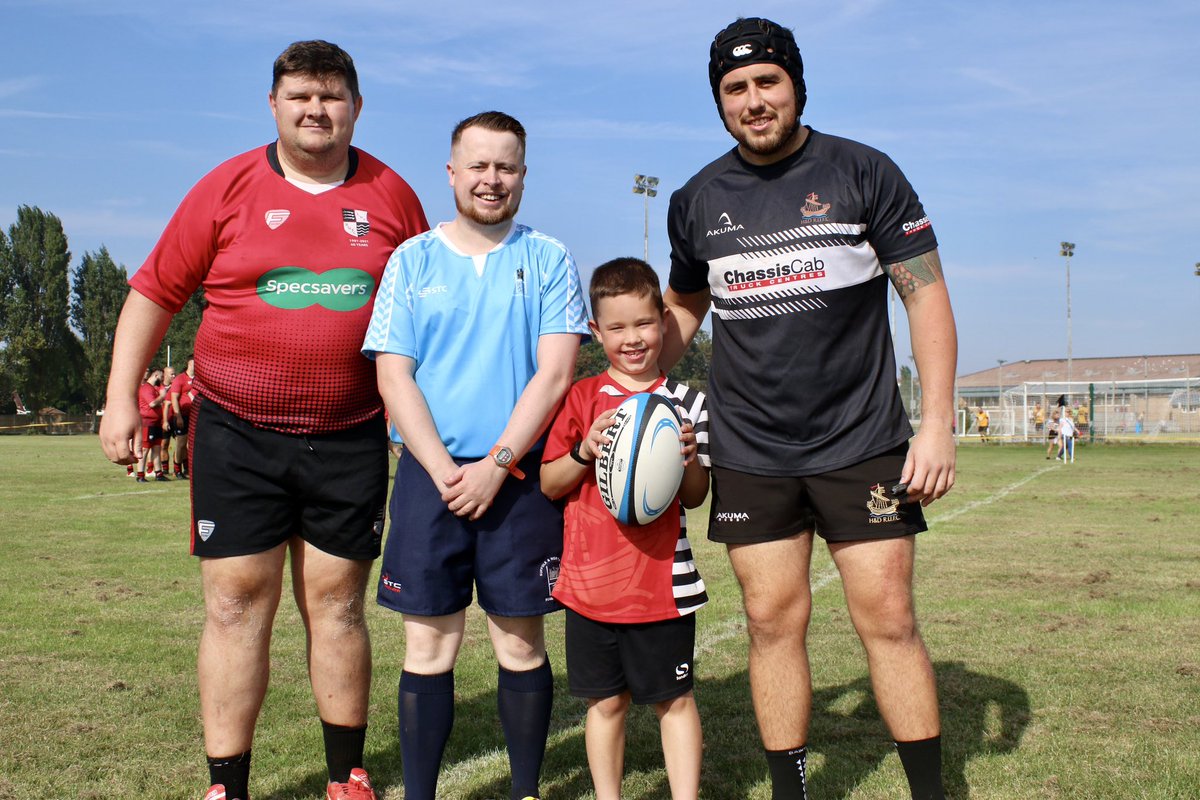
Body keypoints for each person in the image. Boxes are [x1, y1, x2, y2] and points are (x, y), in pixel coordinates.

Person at [98, 40, 428, 800]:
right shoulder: (227, 186)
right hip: (238, 431)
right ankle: (227, 785)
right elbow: (153, 294)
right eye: (301, 96)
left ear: (357, 106)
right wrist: (123, 399)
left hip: (348, 431)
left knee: (339, 605)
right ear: (274, 105)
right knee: (235, 603)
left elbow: (423, 309)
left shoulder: (392, 196)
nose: (317, 110)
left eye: (332, 96)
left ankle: (346, 775)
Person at [661, 17, 956, 799]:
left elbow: (924, 294)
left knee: (888, 619)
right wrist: (631, 389)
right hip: (751, 451)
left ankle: (930, 790)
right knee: (769, 624)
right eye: (735, 89)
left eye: (767, 83)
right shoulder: (696, 199)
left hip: (861, 441)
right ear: (719, 102)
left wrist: (935, 422)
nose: (754, 101)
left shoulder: (864, 171)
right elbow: (685, 305)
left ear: (795, 84)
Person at [362, 110, 589, 800]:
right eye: (480, 166)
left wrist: (497, 463)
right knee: (429, 649)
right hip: (434, 480)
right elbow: (393, 374)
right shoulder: (412, 259)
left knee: (520, 646)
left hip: (517, 480)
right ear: (453, 172)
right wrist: (443, 470)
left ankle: (524, 789)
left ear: (523, 175)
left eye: (507, 167)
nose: (492, 180)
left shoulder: (547, 257)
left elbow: (555, 373)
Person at [540, 258, 709, 800]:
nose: (631, 339)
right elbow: (549, 483)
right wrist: (583, 450)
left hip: (663, 588)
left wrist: (690, 460)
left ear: (663, 320)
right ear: (596, 332)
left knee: (674, 701)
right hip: (591, 588)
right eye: (616, 328)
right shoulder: (582, 398)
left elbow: (696, 498)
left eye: (642, 323)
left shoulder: (689, 404)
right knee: (605, 703)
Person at [136, 367, 169, 482]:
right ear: (156, 376)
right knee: (145, 449)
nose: (162, 379)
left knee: (156, 447)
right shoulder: (146, 389)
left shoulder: (154, 388)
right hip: (147, 423)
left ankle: (158, 474)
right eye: (161, 376)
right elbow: (152, 403)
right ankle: (140, 475)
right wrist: (162, 396)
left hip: (156, 423)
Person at [168, 355, 196, 478]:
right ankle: (177, 469)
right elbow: (174, 398)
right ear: (189, 363)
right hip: (183, 415)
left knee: (193, 444)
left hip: (195, 415)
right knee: (181, 443)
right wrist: (178, 416)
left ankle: (188, 468)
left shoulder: (200, 379)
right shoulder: (180, 378)